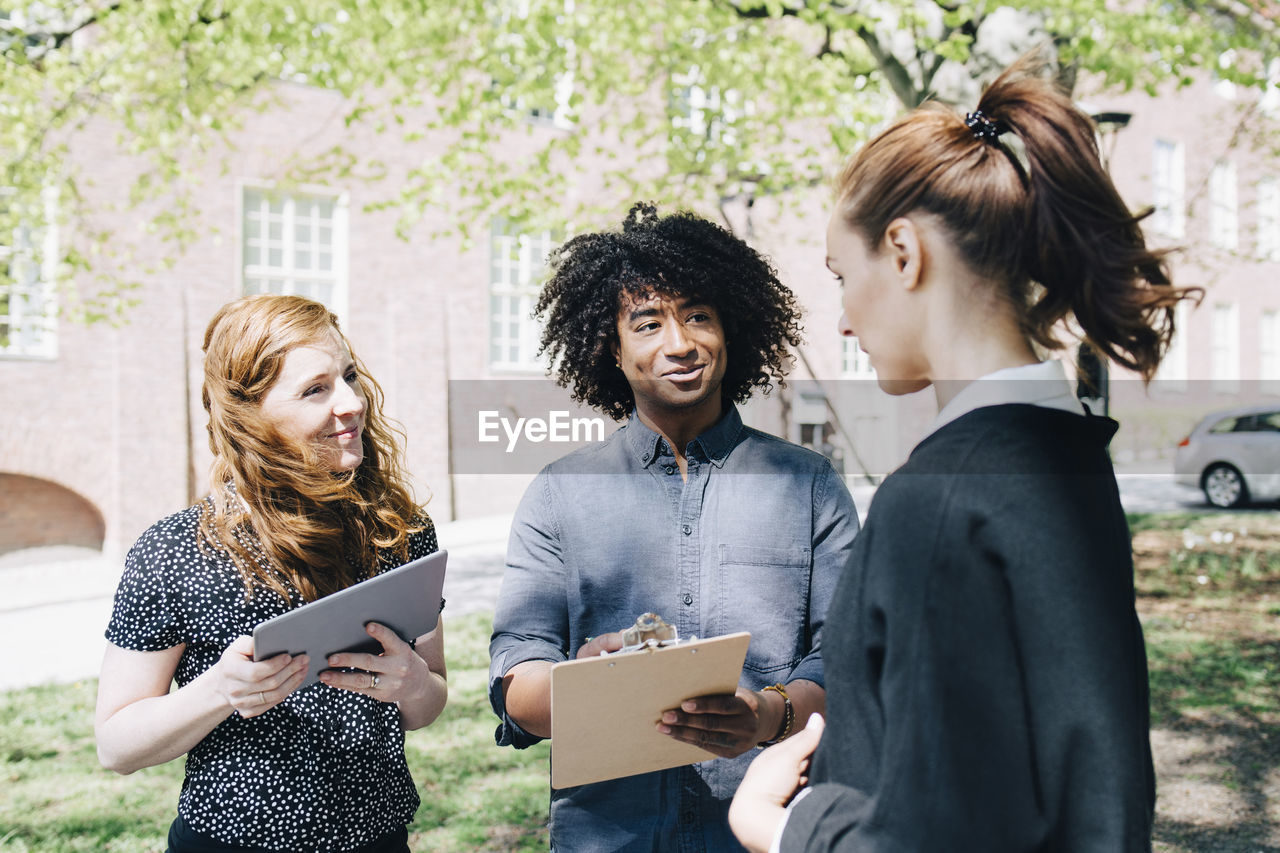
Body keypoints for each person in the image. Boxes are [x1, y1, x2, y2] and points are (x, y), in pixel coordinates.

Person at [728, 55, 1201, 851]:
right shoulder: (1068, 458)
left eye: (842, 275)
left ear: (906, 253)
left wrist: (781, 824)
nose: (841, 319)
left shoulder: (941, 502)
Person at [488, 202, 861, 852]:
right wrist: (581, 683)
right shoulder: (558, 492)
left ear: (729, 329)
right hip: (606, 836)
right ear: (614, 345)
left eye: (697, 316)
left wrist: (768, 714)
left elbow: (851, 658)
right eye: (649, 322)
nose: (680, 342)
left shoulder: (809, 485)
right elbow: (517, 672)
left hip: (766, 829)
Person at [95, 294, 448, 853]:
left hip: (380, 840)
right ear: (250, 417)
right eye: (316, 389)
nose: (352, 402)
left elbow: (427, 704)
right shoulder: (175, 549)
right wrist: (216, 691)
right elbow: (116, 746)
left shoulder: (398, 527)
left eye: (349, 377)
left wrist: (415, 685)